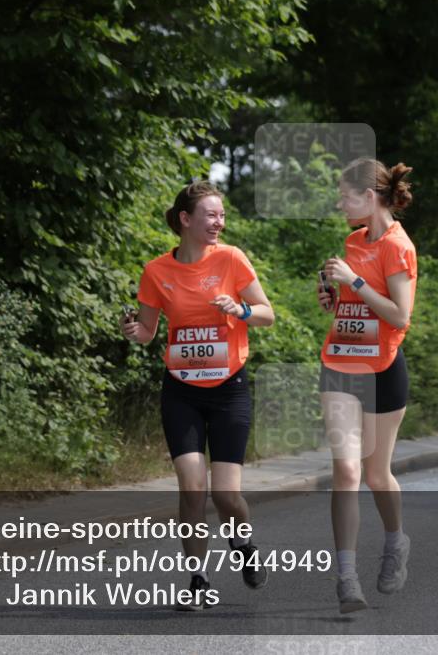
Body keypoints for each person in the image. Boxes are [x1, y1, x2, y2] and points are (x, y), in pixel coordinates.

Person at [121, 181, 274, 610]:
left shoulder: (231, 258)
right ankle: (199, 579)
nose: (219, 222)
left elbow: (267, 314)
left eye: (222, 214)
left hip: (229, 391)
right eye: (210, 214)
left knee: (226, 497)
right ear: (186, 220)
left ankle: (243, 547)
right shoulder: (156, 272)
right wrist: (135, 332)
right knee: (192, 489)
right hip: (181, 392)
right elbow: (148, 333)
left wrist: (241, 310)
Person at [317, 158, 417, 613]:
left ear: (371, 197)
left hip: (383, 369)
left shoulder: (399, 247)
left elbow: (399, 316)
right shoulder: (353, 240)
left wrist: (354, 279)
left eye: (346, 196)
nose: (341, 203)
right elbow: (352, 303)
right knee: (348, 471)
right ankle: (346, 577)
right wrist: (334, 298)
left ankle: (396, 542)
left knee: (377, 474)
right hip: (340, 362)